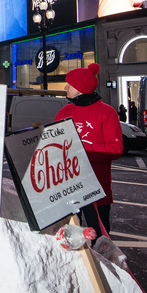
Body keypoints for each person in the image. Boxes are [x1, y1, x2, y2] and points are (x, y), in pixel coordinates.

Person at [53, 62, 122, 234]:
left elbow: (115, 149)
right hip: (68, 186)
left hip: (96, 188)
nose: (65, 87)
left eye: (70, 84)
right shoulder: (65, 111)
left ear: (81, 87)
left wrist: (80, 149)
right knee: (68, 235)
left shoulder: (107, 112)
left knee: (99, 236)